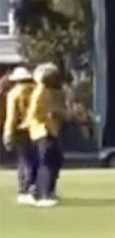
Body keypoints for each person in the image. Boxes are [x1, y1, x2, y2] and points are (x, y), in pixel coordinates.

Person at [25, 63, 67, 207]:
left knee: (55, 161)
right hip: (43, 131)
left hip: (52, 130)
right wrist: (49, 115)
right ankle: (43, 194)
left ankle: (46, 191)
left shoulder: (55, 91)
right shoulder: (40, 91)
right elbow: (34, 113)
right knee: (46, 163)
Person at [3, 66, 37, 204]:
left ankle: (24, 189)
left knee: (23, 161)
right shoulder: (36, 90)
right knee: (35, 159)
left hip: (20, 130)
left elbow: (11, 116)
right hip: (36, 129)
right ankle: (35, 187)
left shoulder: (14, 93)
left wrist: (7, 134)